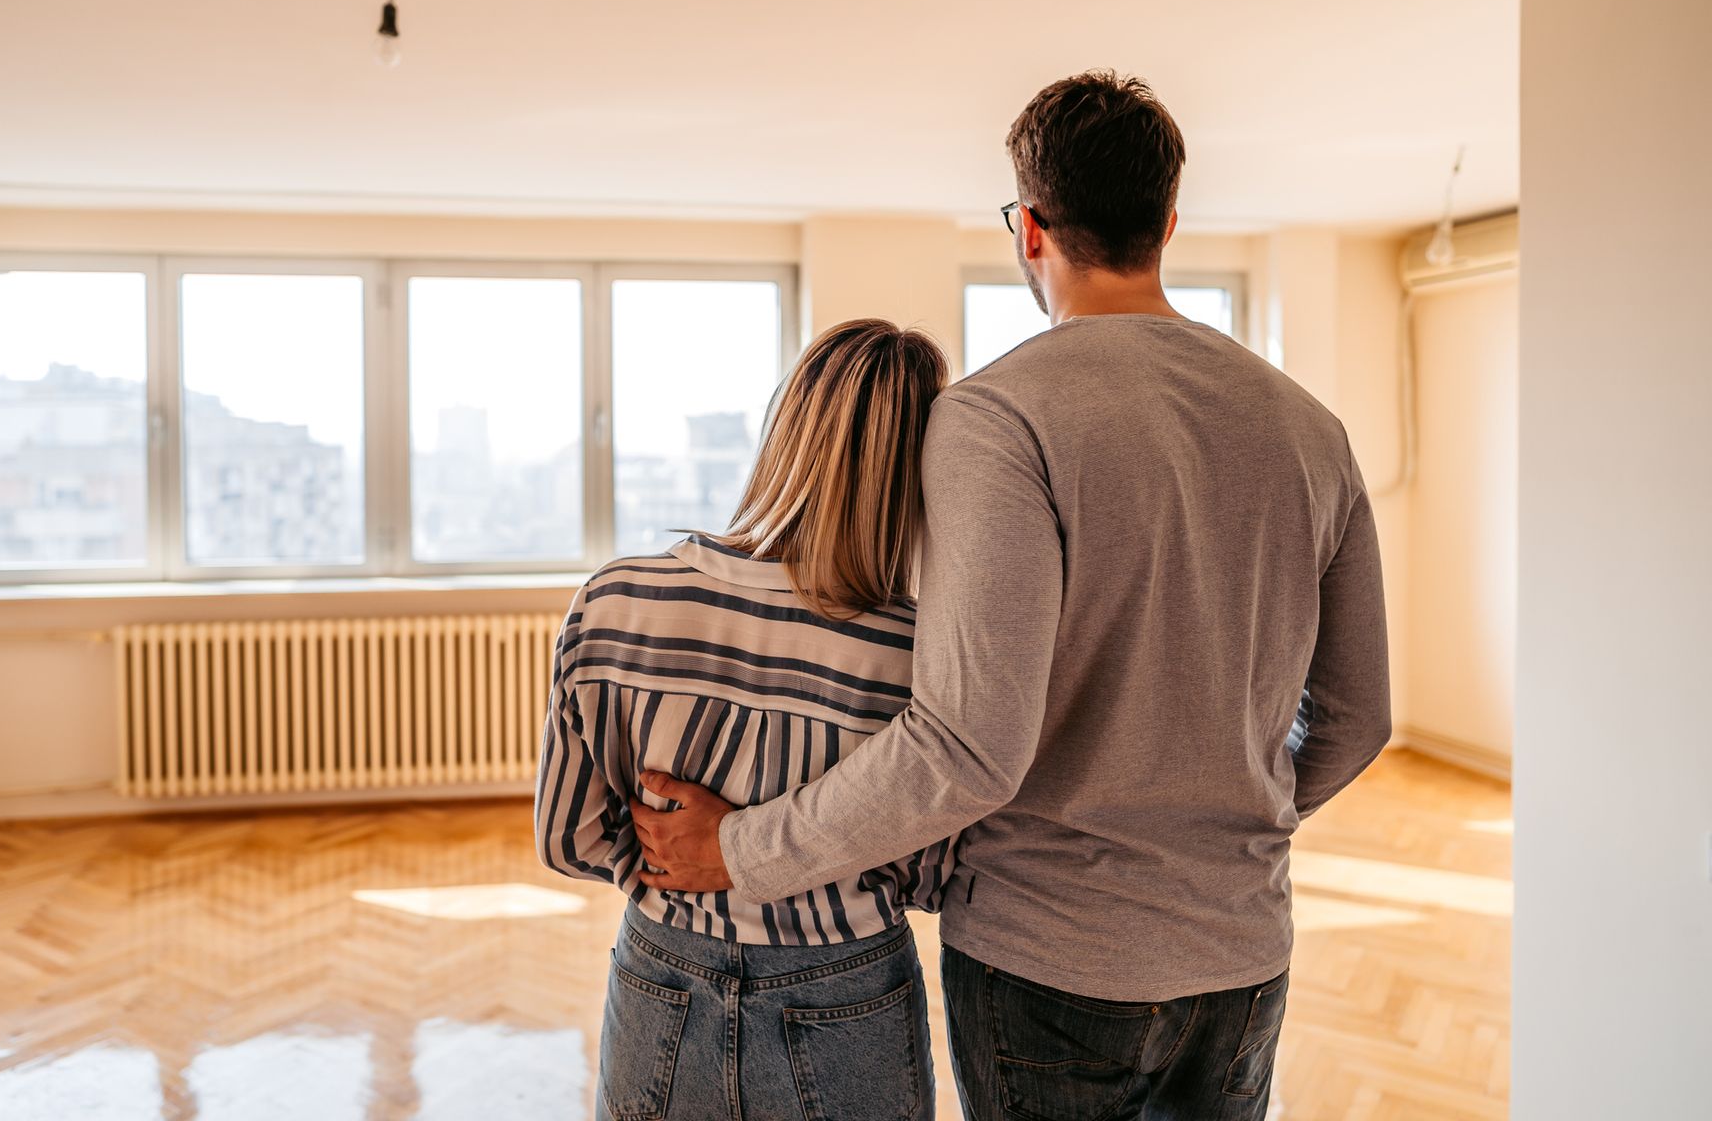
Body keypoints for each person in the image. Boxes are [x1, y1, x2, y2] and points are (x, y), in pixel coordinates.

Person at [633, 70, 1393, 1120]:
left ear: (1029, 227)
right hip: (1244, 952)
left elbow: (968, 744)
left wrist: (738, 849)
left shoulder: (997, 418)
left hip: (1051, 958)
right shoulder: (1311, 429)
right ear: (1168, 223)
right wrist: (1233, 825)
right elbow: (1359, 718)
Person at [535, 318, 956, 1121]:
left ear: (783, 429)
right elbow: (934, 874)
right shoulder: (924, 649)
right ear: (921, 471)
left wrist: (691, 865)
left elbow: (570, 837)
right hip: (848, 985)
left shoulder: (616, 599)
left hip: (662, 966)